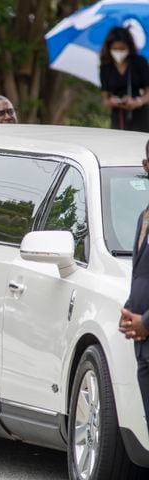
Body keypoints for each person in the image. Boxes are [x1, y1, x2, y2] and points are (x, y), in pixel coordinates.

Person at [119, 139, 149, 426]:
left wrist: (146, 321)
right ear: (146, 167)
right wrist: (129, 312)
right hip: (143, 345)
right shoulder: (144, 217)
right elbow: (141, 274)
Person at [100, 26, 149, 132]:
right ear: (109, 48)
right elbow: (104, 99)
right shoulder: (106, 67)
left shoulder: (139, 62)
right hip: (118, 118)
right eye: (115, 49)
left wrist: (139, 101)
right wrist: (112, 101)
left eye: (122, 49)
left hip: (140, 117)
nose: (119, 52)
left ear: (129, 47)